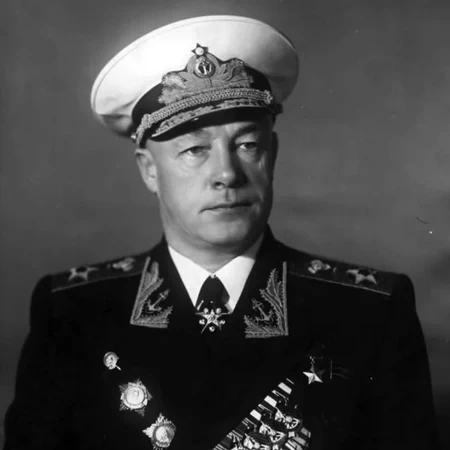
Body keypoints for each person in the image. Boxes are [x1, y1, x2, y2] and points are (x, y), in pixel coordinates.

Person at [3, 15, 440, 450]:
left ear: (272, 154)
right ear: (149, 170)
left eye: (248, 145)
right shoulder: (73, 314)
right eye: (195, 150)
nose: (227, 174)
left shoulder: (369, 313)